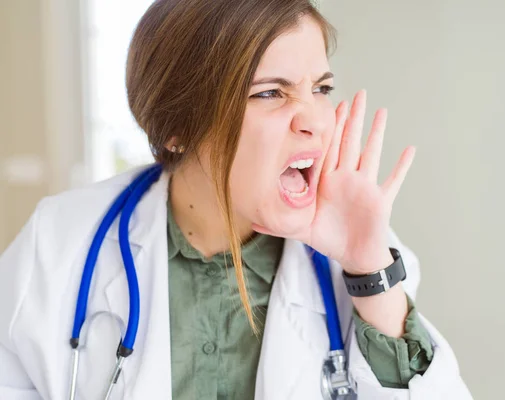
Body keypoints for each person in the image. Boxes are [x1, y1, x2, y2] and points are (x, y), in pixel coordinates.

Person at [0, 0, 472, 399]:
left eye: (321, 89)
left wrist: (370, 269)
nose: (314, 120)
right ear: (176, 128)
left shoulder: (364, 262)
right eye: (270, 93)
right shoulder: (60, 242)